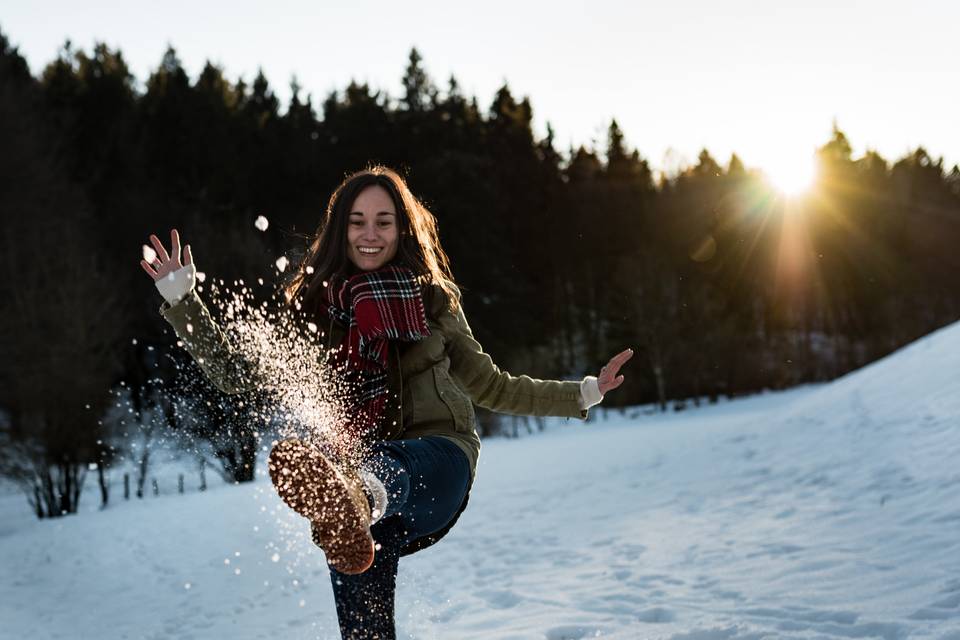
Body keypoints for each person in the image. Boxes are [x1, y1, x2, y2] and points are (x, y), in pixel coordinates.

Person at [140, 166, 633, 639]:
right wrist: (185, 302)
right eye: (356, 222)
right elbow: (238, 379)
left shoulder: (434, 302)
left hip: (439, 467)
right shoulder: (317, 311)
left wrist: (585, 391)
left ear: (402, 229)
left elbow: (494, 387)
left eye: (383, 221)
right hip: (354, 487)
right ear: (340, 231)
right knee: (362, 616)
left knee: (371, 480)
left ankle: (356, 495)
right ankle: (351, 504)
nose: (369, 234)